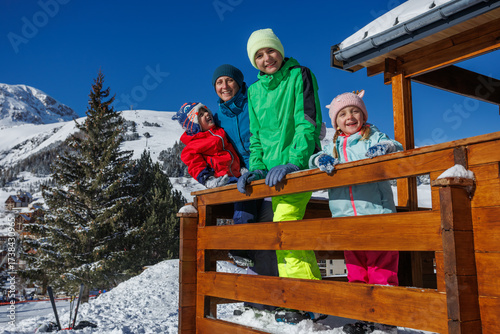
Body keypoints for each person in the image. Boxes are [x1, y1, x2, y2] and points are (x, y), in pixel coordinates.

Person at [237, 28, 324, 324]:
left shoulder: (300, 75)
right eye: (259, 55)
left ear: (280, 50)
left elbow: (307, 122)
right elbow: (257, 137)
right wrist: (257, 169)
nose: (266, 58)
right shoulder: (253, 92)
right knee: (282, 234)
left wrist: (294, 163)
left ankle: (305, 300)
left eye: (270, 51)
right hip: (269, 177)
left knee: (285, 229)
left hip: (296, 170)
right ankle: (306, 299)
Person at [309, 90, 402, 334]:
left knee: (381, 266)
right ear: (336, 122)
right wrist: (321, 160)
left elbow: (396, 146)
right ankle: (363, 315)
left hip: (376, 213)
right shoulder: (334, 146)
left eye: (355, 111)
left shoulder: (372, 137)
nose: (350, 116)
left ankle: (385, 314)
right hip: (345, 218)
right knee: (356, 268)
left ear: (362, 115)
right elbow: (315, 157)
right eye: (343, 114)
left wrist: (385, 147)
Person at [212, 64, 278, 312]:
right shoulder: (217, 118)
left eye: (229, 80)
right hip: (242, 182)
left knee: (268, 237)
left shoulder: (254, 101)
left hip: (268, 173)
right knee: (251, 238)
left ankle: (271, 299)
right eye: (219, 82)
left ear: (239, 83)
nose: (224, 86)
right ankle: (255, 301)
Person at [173, 102, 241, 189]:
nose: (207, 113)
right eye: (201, 114)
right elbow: (194, 163)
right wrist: (207, 179)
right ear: (194, 125)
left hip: (237, 177)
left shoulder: (219, 130)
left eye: (206, 110)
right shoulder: (196, 143)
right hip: (221, 181)